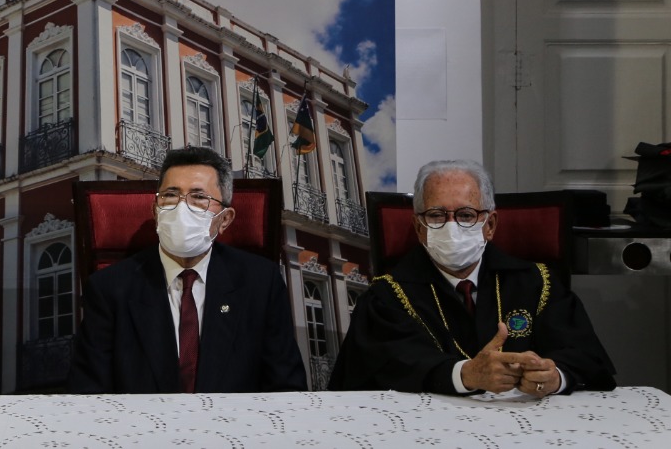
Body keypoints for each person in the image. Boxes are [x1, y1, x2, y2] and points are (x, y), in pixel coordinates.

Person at [329, 159, 616, 396]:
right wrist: (465, 375)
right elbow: (385, 368)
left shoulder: (537, 283)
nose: (451, 226)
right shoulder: (387, 297)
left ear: (490, 225)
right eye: (436, 215)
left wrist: (554, 377)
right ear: (418, 228)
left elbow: (585, 356)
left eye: (466, 215)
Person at [69, 146, 308, 393]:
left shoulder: (261, 283)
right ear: (155, 211)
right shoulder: (109, 288)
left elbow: (287, 388)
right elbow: (88, 394)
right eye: (170, 195)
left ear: (225, 219)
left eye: (199, 197)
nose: (181, 208)